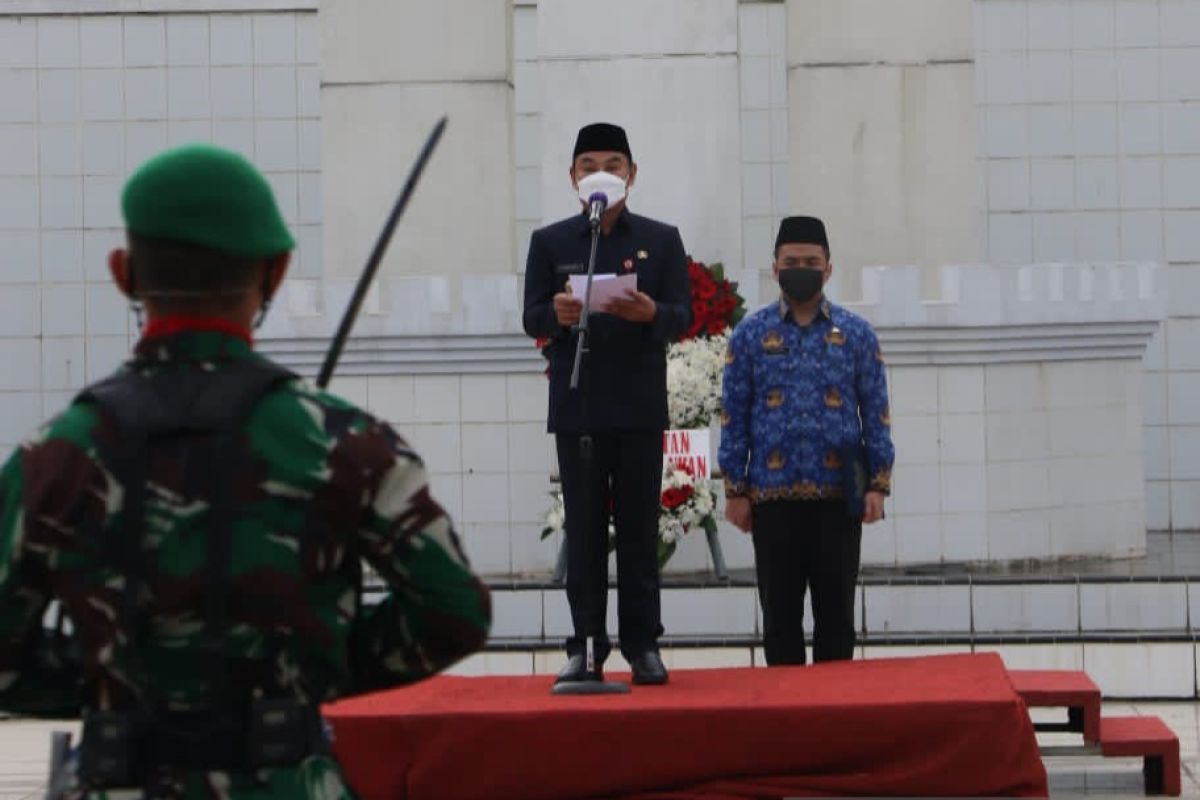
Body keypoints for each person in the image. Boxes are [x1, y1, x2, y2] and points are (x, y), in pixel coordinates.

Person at [0, 144, 492, 798]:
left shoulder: (56, 456)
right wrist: (317, 668)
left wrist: (105, 685)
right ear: (277, 273)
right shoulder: (344, 443)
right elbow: (454, 610)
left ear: (124, 273)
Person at [522, 123, 691, 685]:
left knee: (640, 532)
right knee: (586, 532)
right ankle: (584, 645)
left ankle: (643, 643)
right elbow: (532, 318)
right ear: (573, 177)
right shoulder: (551, 243)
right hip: (579, 408)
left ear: (632, 175)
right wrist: (557, 316)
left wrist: (652, 316)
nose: (602, 173)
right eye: (589, 163)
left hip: (640, 409)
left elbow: (682, 315)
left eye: (613, 164)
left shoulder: (661, 240)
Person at [718, 215, 894, 666]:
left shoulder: (856, 334)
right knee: (779, 620)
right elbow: (734, 417)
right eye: (792, 261)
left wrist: (877, 484)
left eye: (811, 261)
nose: (802, 268)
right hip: (771, 500)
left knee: (836, 619)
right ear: (775, 268)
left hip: (839, 497)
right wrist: (735, 490)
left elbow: (875, 413)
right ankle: (785, 722)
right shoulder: (751, 335)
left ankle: (835, 723)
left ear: (828, 269)